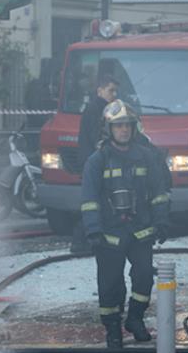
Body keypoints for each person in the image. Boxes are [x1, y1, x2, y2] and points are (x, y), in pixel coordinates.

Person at [81, 99, 172, 348]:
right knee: (110, 284)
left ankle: (135, 319)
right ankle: (113, 329)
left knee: (144, 277)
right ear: (108, 129)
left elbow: (159, 192)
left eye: (127, 126)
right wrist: (93, 230)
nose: (124, 130)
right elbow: (89, 199)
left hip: (140, 231)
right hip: (108, 235)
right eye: (118, 126)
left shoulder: (146, 157)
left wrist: (162, 221)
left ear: (134, 128)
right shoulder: (97, 160)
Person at [71, 72, 119, 253]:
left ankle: (84, 242)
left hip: (92, 160)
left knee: (96, 200)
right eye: (110, 90)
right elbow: (95, 137)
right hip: (93, 161)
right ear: (100, 90)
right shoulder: (96, 109)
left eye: (116, 91)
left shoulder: (99, 107)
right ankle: (79, 242)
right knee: (94, 200)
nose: (114, 95)